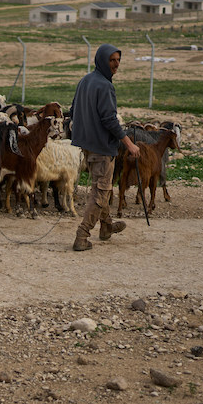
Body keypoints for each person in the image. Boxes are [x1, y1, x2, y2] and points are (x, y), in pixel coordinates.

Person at [66, 43, 140, 251]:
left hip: (87, 146)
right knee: (100, 192)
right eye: (112, 60)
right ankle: (82, 236)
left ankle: (106, 227)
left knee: (101, 187)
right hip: (102, 148)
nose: (116, 64)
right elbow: (109, 120)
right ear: (102, 61)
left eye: (118, 60)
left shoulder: (85, 80)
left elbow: (73, 109)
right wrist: (129, 144)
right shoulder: (105, 86)